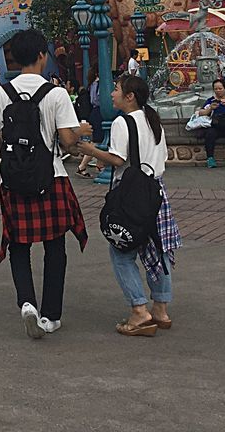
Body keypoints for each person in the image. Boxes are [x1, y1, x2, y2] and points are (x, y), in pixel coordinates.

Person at [0, 29, 88, 339]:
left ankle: (27, 304)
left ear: (15, 57)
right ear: (43, 55)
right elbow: (69, 143)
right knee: (55, 247)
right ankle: (51, 316)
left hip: (13, 180)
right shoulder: (55, 94)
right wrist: (82, 130)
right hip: (51, 178)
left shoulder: (2, 93)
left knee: (19, 245)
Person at [77, 74, 181, 337]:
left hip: (131, 194)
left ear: (129, 96)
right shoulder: (152, 117)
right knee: (159, 249)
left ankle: (139, 311)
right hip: (156, 191)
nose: (111, 94)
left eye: (116, 89)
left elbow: (117, 158)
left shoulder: (122, 122)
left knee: (122, 252)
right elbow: (163, 155)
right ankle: (161, 308)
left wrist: (90, 150)